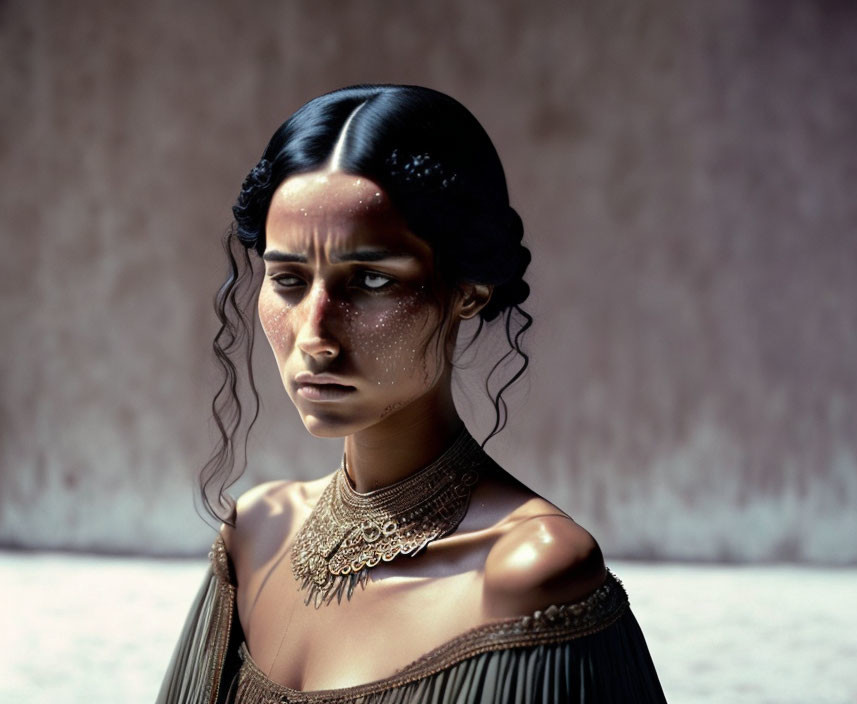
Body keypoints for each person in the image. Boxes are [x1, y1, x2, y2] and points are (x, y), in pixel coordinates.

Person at [157, 84, 666, 704]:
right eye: (288, 279)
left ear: (468, 291)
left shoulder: (533, 573)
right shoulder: (255, 534)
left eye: (371, 280)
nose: (314, 336)